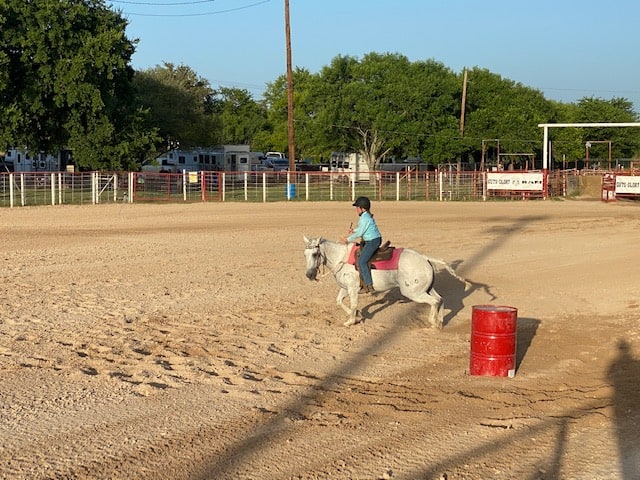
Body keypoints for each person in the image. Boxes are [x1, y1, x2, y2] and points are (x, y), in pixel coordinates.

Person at [341, 196, 382, 294]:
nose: (356, 210)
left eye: (357, 208)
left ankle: (368, 284)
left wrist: (348, 239)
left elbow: (360, 233)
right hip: (372, 240)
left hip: (373, 241)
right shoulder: (366, 217)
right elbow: (360, 229)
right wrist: (353, 230)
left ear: (362, 208)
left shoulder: (365, 218)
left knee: (362, 261)